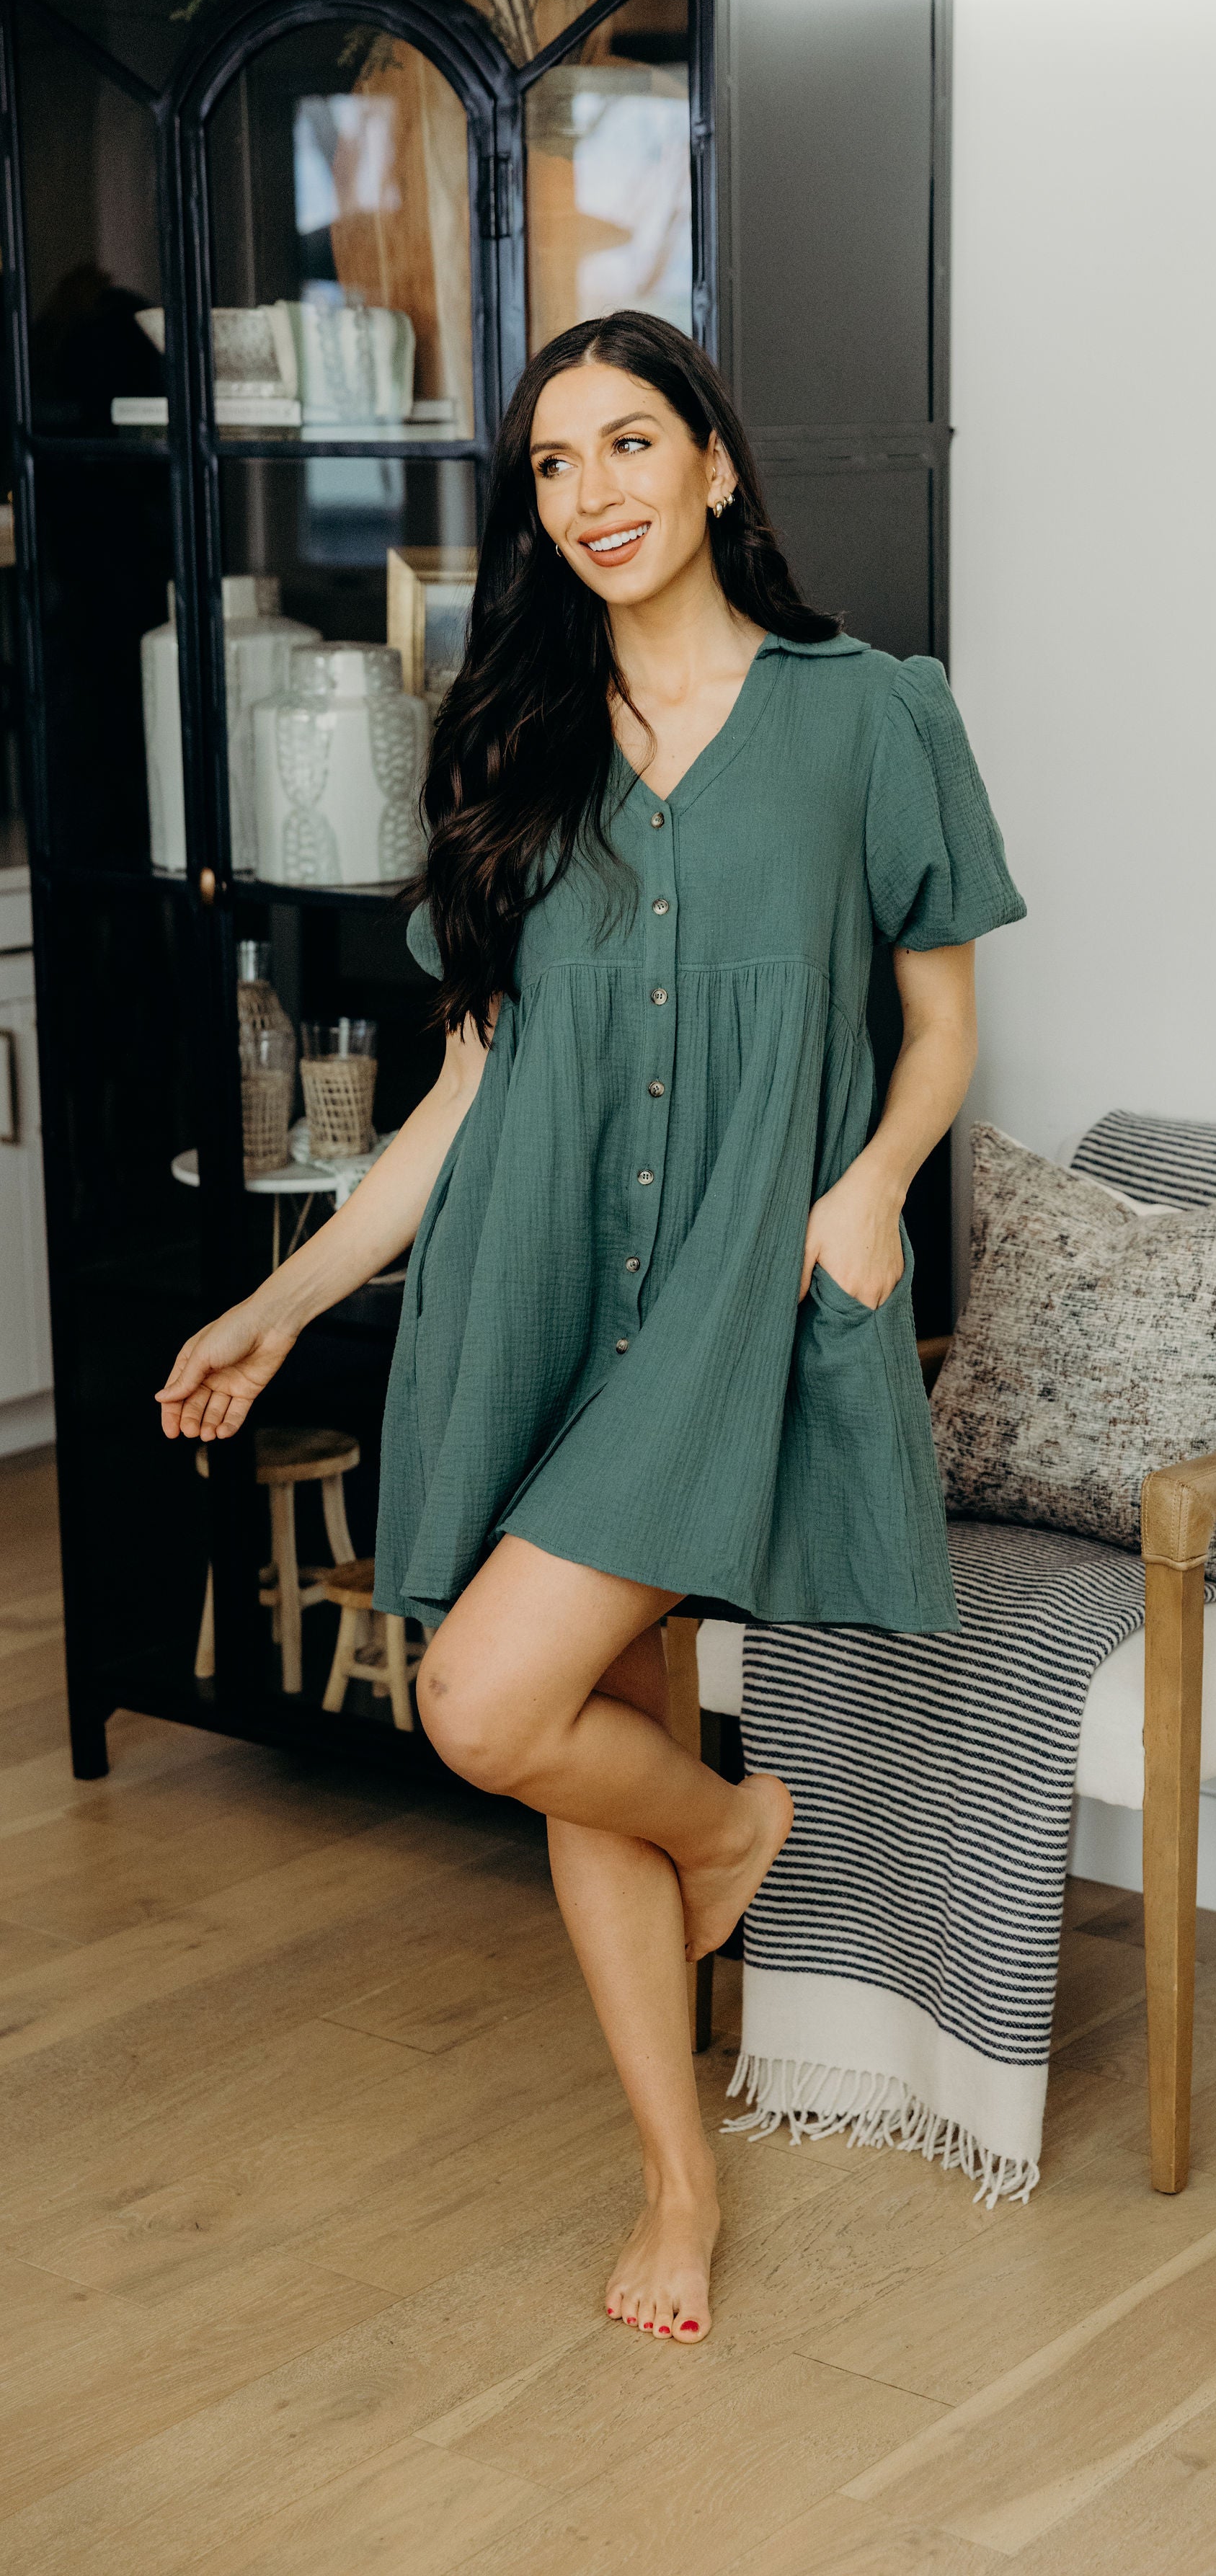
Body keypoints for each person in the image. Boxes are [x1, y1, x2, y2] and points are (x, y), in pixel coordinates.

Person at [155, 311, 1026, 2344]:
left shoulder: (871, 715)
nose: (597, 495)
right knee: (584, 1740)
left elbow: (942, 1029)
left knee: (482, 1707)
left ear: (717, 466)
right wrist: (282, 1298)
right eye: (555, 467)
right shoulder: (513, 740)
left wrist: (874, 1182)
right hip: (536, 1297)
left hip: (734, 1294)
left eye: (633, 446)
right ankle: (676, 2179)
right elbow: (468, 1090)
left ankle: (740, 1827)